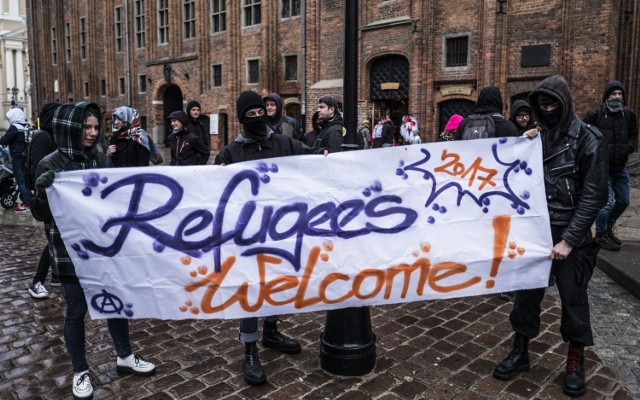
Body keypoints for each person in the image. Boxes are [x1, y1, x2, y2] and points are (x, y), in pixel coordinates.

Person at [30, 102, 156, 400]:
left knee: (114, 301)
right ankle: (80, 370)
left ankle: (124, 355)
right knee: (76, 309)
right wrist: (42, 193)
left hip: (102, 248)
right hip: (69, 250)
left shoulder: (100, 158)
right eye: (86, 127)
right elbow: (39, 214)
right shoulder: (50, 164)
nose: (92, 132)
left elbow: (112, 202)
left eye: (95, 127)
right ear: (70, 129)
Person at [492, 75, 608, 398]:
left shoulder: (589, 140)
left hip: (572, 235)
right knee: (526, 297)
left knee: (573, 299)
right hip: (536, 232)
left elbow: (594, 195)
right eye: (542, 106)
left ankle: (575, 358)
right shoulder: (536, 138)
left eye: (553, 105)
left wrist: (569, 240)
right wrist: (521, 144)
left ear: (566, 104)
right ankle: (520, 350)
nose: (547, 111)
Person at [215, 91, 327, 387]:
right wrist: (218, 174)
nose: (256, 118)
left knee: (277, 282)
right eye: (249, 115)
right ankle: (250, 348)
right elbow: (211, 185)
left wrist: (324, 156)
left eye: (259, 112)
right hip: (247, 236)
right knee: (251, 289)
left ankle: (272, 331)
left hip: (280, 231)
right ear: (241, 119)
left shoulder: (282, 143)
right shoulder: (230, 153)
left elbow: (308, 155)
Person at [583, 80, 638, 251]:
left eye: (620, 94)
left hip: (620, 167)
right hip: (602, 168)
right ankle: (600, 235)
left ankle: (607, 228)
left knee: (624, 200)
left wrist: (627, 148)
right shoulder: (596, 115)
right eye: (613, 94)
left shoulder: (628, 115)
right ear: (607, 96)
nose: (617, 97)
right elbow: (585, 136)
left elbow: (633, 136)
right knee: (606, 203)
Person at [27, 102, 61, 299]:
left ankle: (56, 275)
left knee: (59, 237)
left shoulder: (55, 137)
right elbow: (37, 169)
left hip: (57, 196)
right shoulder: (42, 136)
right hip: (47, 197)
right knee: (54, 239)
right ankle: (37, 281)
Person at [0, 107, 32, 211]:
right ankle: (27, 198)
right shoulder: (26, 126)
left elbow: (5, 140)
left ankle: (27, 203)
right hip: (26, 156)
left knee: (20, 180)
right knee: (25, 179)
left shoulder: (15, 127)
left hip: (17, 156)